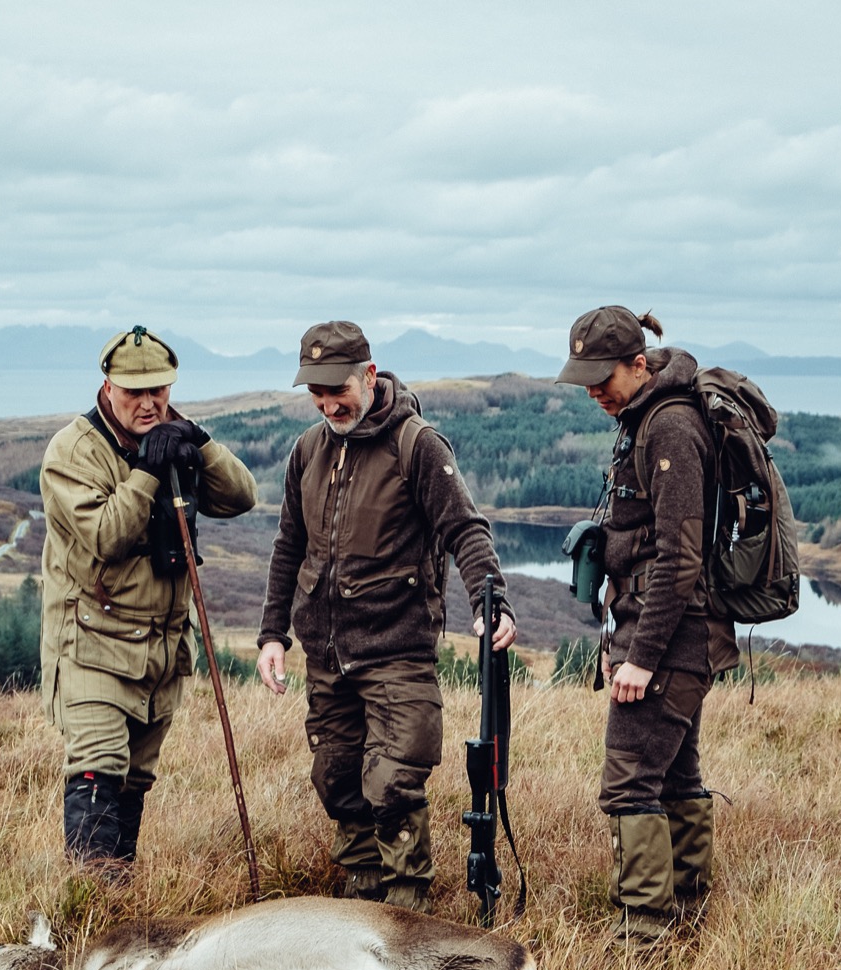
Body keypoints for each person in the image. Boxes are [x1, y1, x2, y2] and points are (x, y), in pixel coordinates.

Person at [256, 320, 516, 913]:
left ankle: (405, 913)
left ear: (368, 377)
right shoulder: (307, 451)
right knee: (339, 781)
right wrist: (273, 633)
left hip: (397, 651)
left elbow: (465, 529)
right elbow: (287, 548)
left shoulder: (418, 445)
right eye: (316, 395)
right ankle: (362, 901)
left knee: (393, 784)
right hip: (326, 656)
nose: (328, 405)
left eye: (337, 391)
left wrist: (487, 600)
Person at [38, 326, 258, 882]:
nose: (147, 402)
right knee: (98, 770)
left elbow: (241, 496)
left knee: (134, 779)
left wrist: (198, 440)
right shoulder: (71, 452)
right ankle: (90, 907)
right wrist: (147, 471)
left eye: (157, 390)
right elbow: (107, 536)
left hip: (160, 651)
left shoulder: (171, 435)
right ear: (106, 386)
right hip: (90, 646)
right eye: (133, 391)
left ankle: (118, 899)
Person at [557, 306, 738, 947]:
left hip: (671, 641)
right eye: (584, 379)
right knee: (677, 776)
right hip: (665, 636)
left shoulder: (671, 430)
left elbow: (679, 557)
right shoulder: (643, 418)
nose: (593, 392)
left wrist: (641, 656)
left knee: (630, 780)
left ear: (638, 363)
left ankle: (645, 938)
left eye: (601, 377)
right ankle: (686, 916)